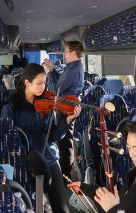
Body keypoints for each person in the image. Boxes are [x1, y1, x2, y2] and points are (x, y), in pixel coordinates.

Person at [0, 63, 84, 213]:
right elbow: (8, 142)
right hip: (26, 164)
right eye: (39, 83)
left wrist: (66, 121)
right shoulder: (10, 108)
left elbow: (53, 136)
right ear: (26, 83)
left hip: (49, 160)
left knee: (62, 211)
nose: (43, 87)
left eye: (44, 83)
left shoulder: (47, 104)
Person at [43, 41, 85, 179]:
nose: (64, 54)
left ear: (73, 53)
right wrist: (53, 69)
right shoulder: (72, 67)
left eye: (66, 51)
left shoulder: (73, 70)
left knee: (65, 142)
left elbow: (56, 91)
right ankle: (65, 171)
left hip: (67, 107)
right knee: (64, 140)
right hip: (66, 105)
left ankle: (65, 175)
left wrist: (49, 73)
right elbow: (61, 81)